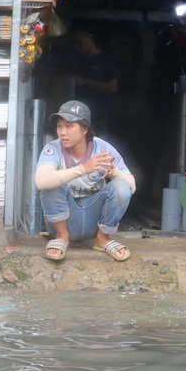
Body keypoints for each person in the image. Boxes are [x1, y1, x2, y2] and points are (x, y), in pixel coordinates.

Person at [35, 100, 135, 261]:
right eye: (59, 126)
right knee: (51, 184)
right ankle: (62, 237)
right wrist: (83, 168)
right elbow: (41, 181)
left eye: (69, 126)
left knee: (121, 186)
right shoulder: (53, 149)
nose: (62, 132)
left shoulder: (102, 148)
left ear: (84, 129)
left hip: (93, 223)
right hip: (65, 221)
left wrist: (114, 171)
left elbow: (131, 186)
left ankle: (102, 239)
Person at [69, 23, 119, 133]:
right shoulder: (76, 61)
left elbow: (112, 87)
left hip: (98, 118)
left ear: (89, 37)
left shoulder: (105, 60)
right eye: (73, 43)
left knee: (97, 149)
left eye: (78, 42)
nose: (76, 46)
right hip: (76, 118)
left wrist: (84, 82)